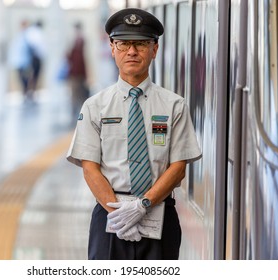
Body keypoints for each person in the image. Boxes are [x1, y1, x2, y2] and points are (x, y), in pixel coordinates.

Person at [67, 8, 202, 260]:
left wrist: (143, 205)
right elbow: (90, 167)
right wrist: (118, 214)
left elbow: (179, 166)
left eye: (140, 44)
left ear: (154, 50)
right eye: (124, 43)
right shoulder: (95, 106)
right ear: (112, 48)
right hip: (109, 217)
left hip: (159, 213)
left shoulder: (174, 105)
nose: (132, 51)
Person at [67, 22, 88, 117]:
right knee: (76, 94)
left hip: (77, 73)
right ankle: (76, 112)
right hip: (76, 73)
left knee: (78, 94)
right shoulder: (75, 42)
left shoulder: (79, 41)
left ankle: (79, 112)